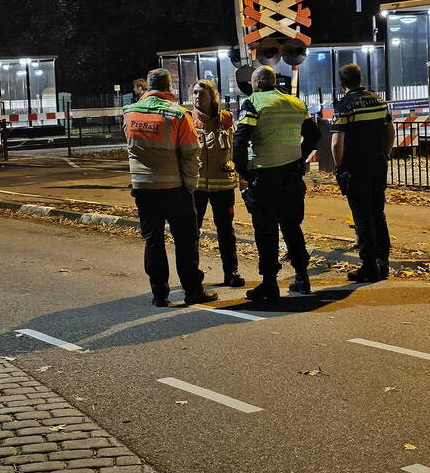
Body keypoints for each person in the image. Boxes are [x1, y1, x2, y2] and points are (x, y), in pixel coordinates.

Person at [122, 68, 216, 307]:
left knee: (153, 240)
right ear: (169, 87)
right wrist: (190, 186)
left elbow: (133, 147)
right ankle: (192, 291)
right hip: (175, 189)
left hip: (143, 188)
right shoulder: (177, 114)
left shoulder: (130, 113)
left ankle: (159, 294)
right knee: (186, 241)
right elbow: (190, 154)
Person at [234, 65, 320, 301]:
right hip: (291, 176)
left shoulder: (253, 102)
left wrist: (245, 173)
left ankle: (270, 283)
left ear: (258, 83)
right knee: (292, 227)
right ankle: (302, 278)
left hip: (265, 176)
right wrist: (299, 156)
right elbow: (314, 136)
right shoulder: (295, 103)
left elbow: (240, 140)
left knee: (266, 231)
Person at [331, 63, 396, 282]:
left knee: (362, 216)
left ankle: (368, 265)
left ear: (342, 84)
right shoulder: (378, 100)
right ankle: (383, 262)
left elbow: (336, 143)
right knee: (378, 212)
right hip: (378, 164)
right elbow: (390, 132)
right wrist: (384, 155)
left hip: (356, 166)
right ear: (360, 79)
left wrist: (340, 167)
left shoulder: (345, 105)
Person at [190, 79, 244, 288]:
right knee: (192, 233)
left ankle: (231, 272)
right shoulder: (187, 119)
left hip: (223, 185)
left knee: (226, 232)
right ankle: (192, 276)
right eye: (195, 93)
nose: (197, 97)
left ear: (213, 97)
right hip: (196, 187)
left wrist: (243, 180)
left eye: (202, 93)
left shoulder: (227, 119)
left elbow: (237, 151)